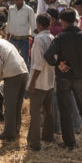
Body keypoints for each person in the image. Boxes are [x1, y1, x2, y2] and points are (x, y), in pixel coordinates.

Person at [44, 8, 82, 149]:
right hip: (80, 78)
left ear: (62, 22)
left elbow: (48, 56)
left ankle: (70, 143)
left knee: (65, 110)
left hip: (64, 79)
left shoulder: (60, 37)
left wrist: (58, 64)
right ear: (74, 19)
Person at [0, 36, 28, 141]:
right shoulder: (2, 41)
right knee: (17, 105)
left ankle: (8, 134)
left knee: (9, 106)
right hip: (24, 71)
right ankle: (15, 131)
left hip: (12, 74)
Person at [27, 13, 55, 151]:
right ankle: (48, 136)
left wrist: (32, 83)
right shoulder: (52, 37)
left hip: (39, 82)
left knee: (35, 113)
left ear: (38, 24)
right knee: (48, 111)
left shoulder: (39, 39)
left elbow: (39, 64)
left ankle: (34, 143)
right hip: (50, 81)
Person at [7, 0, 36, 69]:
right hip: (13, 39)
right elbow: (9, 23)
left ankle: (27, 80)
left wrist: (33, 39)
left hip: (24, 40)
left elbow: (33, 25)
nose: (16, 2)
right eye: (15, 0)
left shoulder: (29, 10)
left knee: (25, 62)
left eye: (18, 0)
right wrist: (7, 36)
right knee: (12, 60)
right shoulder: (11, 9)